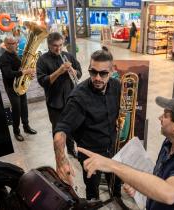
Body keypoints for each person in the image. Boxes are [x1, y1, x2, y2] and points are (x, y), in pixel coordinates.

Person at [77, 96, 174, 210]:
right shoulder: (169, 143)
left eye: (165, 115)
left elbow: (169, 193)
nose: (160, 118)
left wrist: (112, 165)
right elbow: (159, 180)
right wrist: (140, 190)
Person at [52, 46, 123, 201]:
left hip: (113, 148)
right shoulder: (79, 97)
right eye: (93, 72)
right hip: (91, 154)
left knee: (117, 181)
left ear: (111, 72)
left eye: (103, 73)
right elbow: (61, 131)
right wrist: (61, 160)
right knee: (92, 190)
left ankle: (117, 198)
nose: (97, 77)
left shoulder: (117, 86)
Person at [36, 32, 82, 155]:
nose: (59, 48)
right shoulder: (42, 60)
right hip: (54, 102)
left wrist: (74, 71)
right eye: (55, 45)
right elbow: (43, 81)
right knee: (58, 130)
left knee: (71, 126)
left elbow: (79, 73)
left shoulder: (68, 55)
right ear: (49, 45)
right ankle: (59, 153)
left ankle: (71, 149)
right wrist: (59, 71)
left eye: (61, 45)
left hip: (70, 98)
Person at [0, 36, 37, 142]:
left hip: (20, 86)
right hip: (11, 87)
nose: (15, 45)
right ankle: (16, 131)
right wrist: (24, 72)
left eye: (15, 43)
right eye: (11, 43)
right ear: (6, 45)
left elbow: (21, 69)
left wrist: (30, 75)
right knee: (16, 109)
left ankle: (26, 127)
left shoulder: (16, 55)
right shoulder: (3, 58)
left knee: (24, 106)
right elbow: (8, 74)